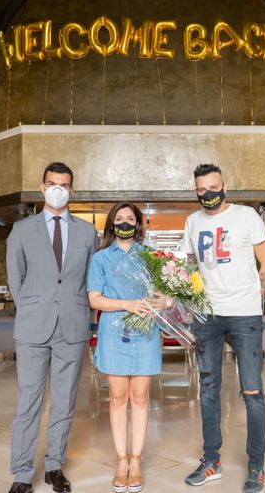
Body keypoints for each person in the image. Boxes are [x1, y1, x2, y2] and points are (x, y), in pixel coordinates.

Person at [180, 163, 265, 493]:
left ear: (225, 186)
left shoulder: (247, 216)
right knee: (207, 390)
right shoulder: (192, 221)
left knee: (252, 391)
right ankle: (211, 461)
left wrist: (262, 285)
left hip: (244, 315)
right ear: (196, 191)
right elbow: (189, 265)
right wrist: (178, 287)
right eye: (201, 189)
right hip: (206, 315)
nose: (207, 193)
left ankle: (256, 466)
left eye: (213, 187)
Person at [5, 162, 98, 493]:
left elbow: (91, 280)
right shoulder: (21, 230)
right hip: (32, 327)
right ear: (43, 187)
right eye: (52, 183)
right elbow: (15, 279)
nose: (58, 189)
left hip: (72, 327)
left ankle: (54, 465)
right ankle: (21, 472)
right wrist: (33, 305)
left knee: (64, 401)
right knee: (28, 401)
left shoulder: (88, 232)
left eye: (64, 184)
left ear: (71, 190)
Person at [87, 202, 167, 493]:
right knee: (118, 398)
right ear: (110, 225)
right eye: (118, 219)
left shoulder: (150, 257)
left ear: (138, 224)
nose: (124, 223)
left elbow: (165, 295)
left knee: (141, 397)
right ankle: (121, 461)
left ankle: (137, 461)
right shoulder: (100, 259)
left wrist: (165, 301)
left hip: (145, 333)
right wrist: (126, 304)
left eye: (129, 218)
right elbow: (95, 299)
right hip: (114, 332)